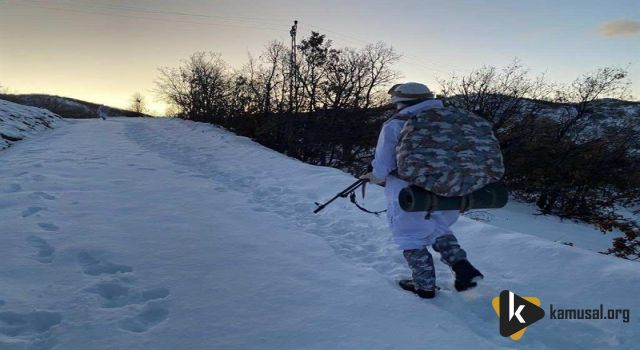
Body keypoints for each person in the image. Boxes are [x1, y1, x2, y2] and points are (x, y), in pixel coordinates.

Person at [361, 82, 483, 299]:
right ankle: (464, 270)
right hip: (453, 189)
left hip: (410, 193)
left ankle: (424, 286)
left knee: (410, 237)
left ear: (400, 102)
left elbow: (382, 168)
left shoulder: (396, 124)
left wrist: (372, 176)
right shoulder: (452, 118)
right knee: (439, 230)